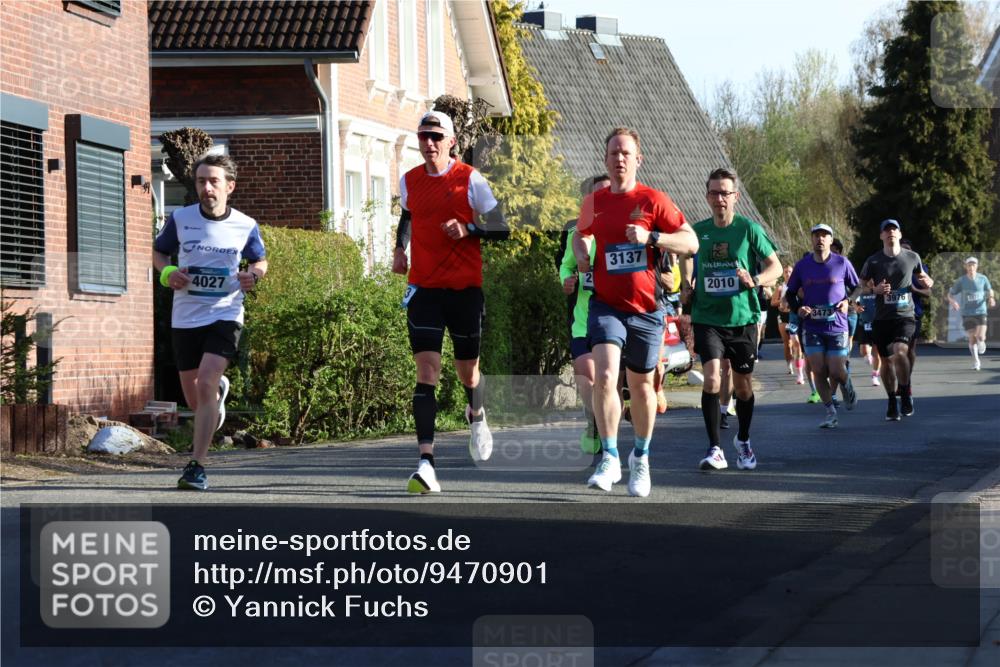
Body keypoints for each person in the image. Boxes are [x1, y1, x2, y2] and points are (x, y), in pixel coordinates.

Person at [572, 127, 698, 496]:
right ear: (605, 160)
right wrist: (582, 250)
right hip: (606, 304)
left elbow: (690, 242)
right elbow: (582, 233)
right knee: (606, 376)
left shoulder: (654, 200)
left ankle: (639, 459)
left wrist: (653, 238)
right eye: (613, 153)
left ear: (638, 159)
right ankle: (609, 456)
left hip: (646, 308)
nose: (619, 159)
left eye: (626, 153)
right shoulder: (594, 202)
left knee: (642, 386)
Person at [392, 111, 509, 494]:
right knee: (426, 371)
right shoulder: (410, 180)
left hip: (464, 290)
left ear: (452, 141)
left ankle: (476, 413)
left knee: (467, 373)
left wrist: (469, 228)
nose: (429, 143)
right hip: (424, 288)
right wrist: (399, 249)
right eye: (423, 135)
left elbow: (501, 227)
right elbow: (409, 214)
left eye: (436, 136)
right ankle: (426, 463)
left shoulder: (469, 179)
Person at [153, 154, 268, 491]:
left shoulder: (245, 225)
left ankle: (196, 466)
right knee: (195, 398)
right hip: (186, 317)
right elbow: (159, 253)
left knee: (204, 385)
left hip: (225, 314)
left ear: (229, 186)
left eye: (213, 181)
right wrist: (169, 273)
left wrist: (252, 276)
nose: (206, 188)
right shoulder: (180, 219)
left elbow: (260, 261)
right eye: (201, 181)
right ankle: (216, 393)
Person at [681, 168, 781, 472]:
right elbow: (684, 253)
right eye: (714, 192)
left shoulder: (748, 229)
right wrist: (687, 284)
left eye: (725, 193)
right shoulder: (698, 231)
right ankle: (714, 448)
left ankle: (744, 439)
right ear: (707, 196)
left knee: (743, 386)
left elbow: (775, 267)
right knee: (712, 378)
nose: (719, 198)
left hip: (743, 318)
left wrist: (755, 279)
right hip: (707, 316)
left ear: (735, 197)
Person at [785, 224, 861, 429]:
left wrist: (849, 302)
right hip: (812, 326)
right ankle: (830, 412)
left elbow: (857, 287)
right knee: (818, 369)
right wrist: (798, 308)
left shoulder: (842, 263)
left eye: (824, 236)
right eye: (816, 235)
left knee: (836, 370)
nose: (820, 239)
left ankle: (847, 384)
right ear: (811, 239)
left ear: (830, 240)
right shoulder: (802, 265)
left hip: (837, 325)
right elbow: (790, 293)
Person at [858, 219, 932, 421]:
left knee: (901, 353)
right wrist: (875, 290)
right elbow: (861, 286)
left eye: (894, 230)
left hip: (905, 316)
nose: (891, 233)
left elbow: (925, 278)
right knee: (886, 361)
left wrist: (928, 281)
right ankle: (892, 400)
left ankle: (905, 391)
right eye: (886, 230)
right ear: (881, 236)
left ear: (899, 234)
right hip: (882, 318)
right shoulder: (873, 261)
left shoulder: (912, 257)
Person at [559, 175, 611, 454]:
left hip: (615, 316)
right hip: (583, 317)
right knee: (586, 373)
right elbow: (566, 267)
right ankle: (593, 421)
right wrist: (566, 280)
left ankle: (606, 429)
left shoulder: (624, 230)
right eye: (596, 197)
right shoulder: (576, 234)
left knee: (606, 379)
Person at [948, 257, 995, 371]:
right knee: (972, 338)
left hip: (981, 311)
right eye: (969, 265)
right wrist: (953, 301)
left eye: (973, 265)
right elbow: (950, 294)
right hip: (967, 313)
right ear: (966, 267)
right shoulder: (961, 280)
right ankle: (976, 361)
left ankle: (982, 341)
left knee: (980, 336)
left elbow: (990, 290)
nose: (971, 267)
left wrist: (991, 298)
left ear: (977, 266)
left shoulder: (983, 278)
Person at [900, 238, 931, 372]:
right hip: (893, 313)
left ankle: (907, 379)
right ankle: (901, 375)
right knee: (898, 349)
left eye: (908, 249)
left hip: (914, 313)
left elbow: (929, 292)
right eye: (903, 249)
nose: (905, 252)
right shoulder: (888, 265)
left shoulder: (920, 268)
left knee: (910, 348)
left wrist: (915, 289)